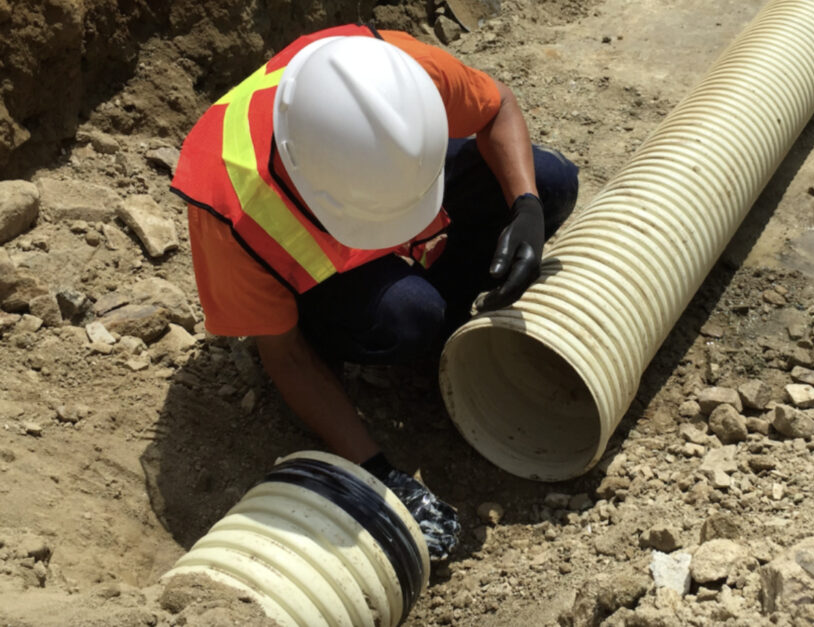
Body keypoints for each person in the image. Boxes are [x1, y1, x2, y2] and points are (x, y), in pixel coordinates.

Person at [170, 24, 579, 560]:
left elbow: (497, 105)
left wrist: (525, 207)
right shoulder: (226, 203)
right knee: (410, 317)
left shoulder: (390, 72)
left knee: (549, 181)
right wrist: (378, 474)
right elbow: (285, 355)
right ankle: (399, 332)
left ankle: (453, 320)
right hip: (324, 284)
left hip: (390, 175)